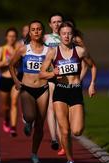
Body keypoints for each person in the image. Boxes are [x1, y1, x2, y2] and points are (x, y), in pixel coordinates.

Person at [40, 22, 97, 163]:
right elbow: (41, 73)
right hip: (60, 91)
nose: (66, 36)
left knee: (77, 131)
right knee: (64, 131)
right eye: (64, 33)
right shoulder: (53, 52)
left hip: (75, 91)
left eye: (69, 33)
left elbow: (93, 66)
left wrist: (92, 84)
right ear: (59, 36)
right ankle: (70, 160)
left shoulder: (80, 51)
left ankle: (76, 121)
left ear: (73, 35)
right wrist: (53, 73)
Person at [9, 20, 49, 163]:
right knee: (30, 115)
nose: (36, 31)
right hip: (26, 88)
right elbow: (11, 65)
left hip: (43, 89)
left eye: (39, 29)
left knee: (40, 124)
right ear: (30, 33)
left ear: (42, 32)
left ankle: (34, 154)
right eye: (33, 29)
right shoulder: (23, 49)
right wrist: (16, 81)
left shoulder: (49, 51)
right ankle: (27, 121)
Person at [0, 27, 19, 137]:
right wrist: (6, 61)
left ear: (16, 38)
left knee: (14, 102)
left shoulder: (19, 49)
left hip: (15, 80)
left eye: (14, 36)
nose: (11, 38)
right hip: (4, 79)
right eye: (10, 36)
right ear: (6, 37)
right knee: (6, 107)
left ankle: (13, 127)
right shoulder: (2, 49)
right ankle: (6, 119)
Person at [44, 13, 64, 152]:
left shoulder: (68, 37)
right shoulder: (45, 38)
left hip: (66, 77)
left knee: (63, 111)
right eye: (54, 22)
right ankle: (54, 139)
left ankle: (63, 140)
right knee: (51, 107)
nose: (57, 24)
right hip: (51, 76)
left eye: (59, 21)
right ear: (50, 24)